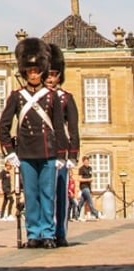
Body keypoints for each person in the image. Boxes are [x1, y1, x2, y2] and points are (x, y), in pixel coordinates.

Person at [0, 37, 67, 249]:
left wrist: (62, 155)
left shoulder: (51, 97)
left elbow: (59, 128)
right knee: (31, 195)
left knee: (48, 195)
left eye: (37, 70)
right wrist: (10, 152)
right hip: (27, 152)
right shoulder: (17, 97)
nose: (34, 74)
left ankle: (47, 232)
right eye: (30, 70)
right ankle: (33, 233)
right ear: (25, 72)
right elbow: (4, 125)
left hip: (47, 152)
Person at [45, 42, 79, 246]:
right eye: (47, 74)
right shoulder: (36, 98)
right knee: (43, 195)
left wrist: (73, 155)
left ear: (60, 76)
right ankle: (45, 232)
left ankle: (60, 232)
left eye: (54, 74)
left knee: (60, 194)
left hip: (60, 152)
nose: (50, 78)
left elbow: (73, 128)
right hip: (41, 150)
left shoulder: (66, 98)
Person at [77, 156, 100, 221]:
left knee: (81, 202)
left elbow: (90, 178)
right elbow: (79, 179)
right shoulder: (81, 169)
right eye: (85, 162)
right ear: (83, 162)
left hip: (88, 187)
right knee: (90, 201)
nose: (87, 163)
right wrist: (88, 179)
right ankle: (96, 214)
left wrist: (91, 189)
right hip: (83, 187)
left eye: (88, 161)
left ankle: (76, 215)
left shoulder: (90, 168)